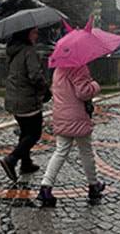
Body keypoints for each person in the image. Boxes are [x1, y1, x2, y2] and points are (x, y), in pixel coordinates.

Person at [37, 65, 104, 207]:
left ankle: (46, 186)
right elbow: (83, 93)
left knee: (60, 151)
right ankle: (93, 185)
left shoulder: (58, 69)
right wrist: (94, 85)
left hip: (61, 116)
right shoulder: (79, 68)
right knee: (86, 151)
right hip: (77, 117)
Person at [0, 27, 50, 181]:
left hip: (14, 100)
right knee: (34, 133)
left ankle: (26, 163)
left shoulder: (13, 50)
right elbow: (34, 75)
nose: (36, 35)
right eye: (34, 32)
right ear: (26, 34)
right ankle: (12, 159)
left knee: (24, 132)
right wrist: (46, 90)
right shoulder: (29, 51)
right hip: (27, 100)